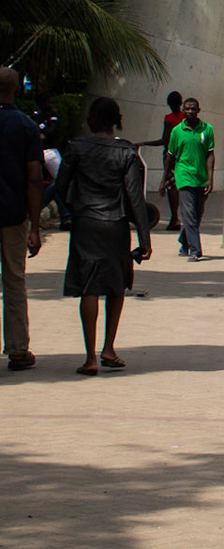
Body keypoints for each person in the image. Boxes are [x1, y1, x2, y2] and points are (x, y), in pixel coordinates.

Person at [56, 98, 152, 375]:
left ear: (95, 117)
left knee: (89, 287)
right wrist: (145, 238)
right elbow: (135, 198)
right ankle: (109, 347)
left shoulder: (76, 148)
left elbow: (61, 186)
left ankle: (90, 357)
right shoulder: (128, 152)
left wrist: (75, 208)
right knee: (116, 285)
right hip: (116, 225)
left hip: (86, 223)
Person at [0, 67, 46, 373]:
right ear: (17, 89)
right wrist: (35, 227)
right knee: (14, 281)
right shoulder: (26, 126)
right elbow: (34, 178)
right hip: (13, 216)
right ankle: (18, 350)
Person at [164, 98, 215, 261]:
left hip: (200, 177)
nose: (190, 112)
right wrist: (164, 178)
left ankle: (184, 241)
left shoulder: (207, 129)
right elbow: (170, 156)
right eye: (187, 109)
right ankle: (195, 250)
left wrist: (210, 178)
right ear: (183, 110)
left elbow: (210, 154)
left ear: (198, 110)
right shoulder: (177, 131)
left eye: (193, 109)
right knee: (189, 214)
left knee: (198, 213)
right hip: (184, 175)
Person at [143, 91, 185, 230]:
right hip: (184, 154)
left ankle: (174, 217)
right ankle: (179, 217)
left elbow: (164, 140)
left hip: (171, 155)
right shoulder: (185, 118)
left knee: (171, 185)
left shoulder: (169, 118)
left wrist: (144, 143)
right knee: (182, 185)